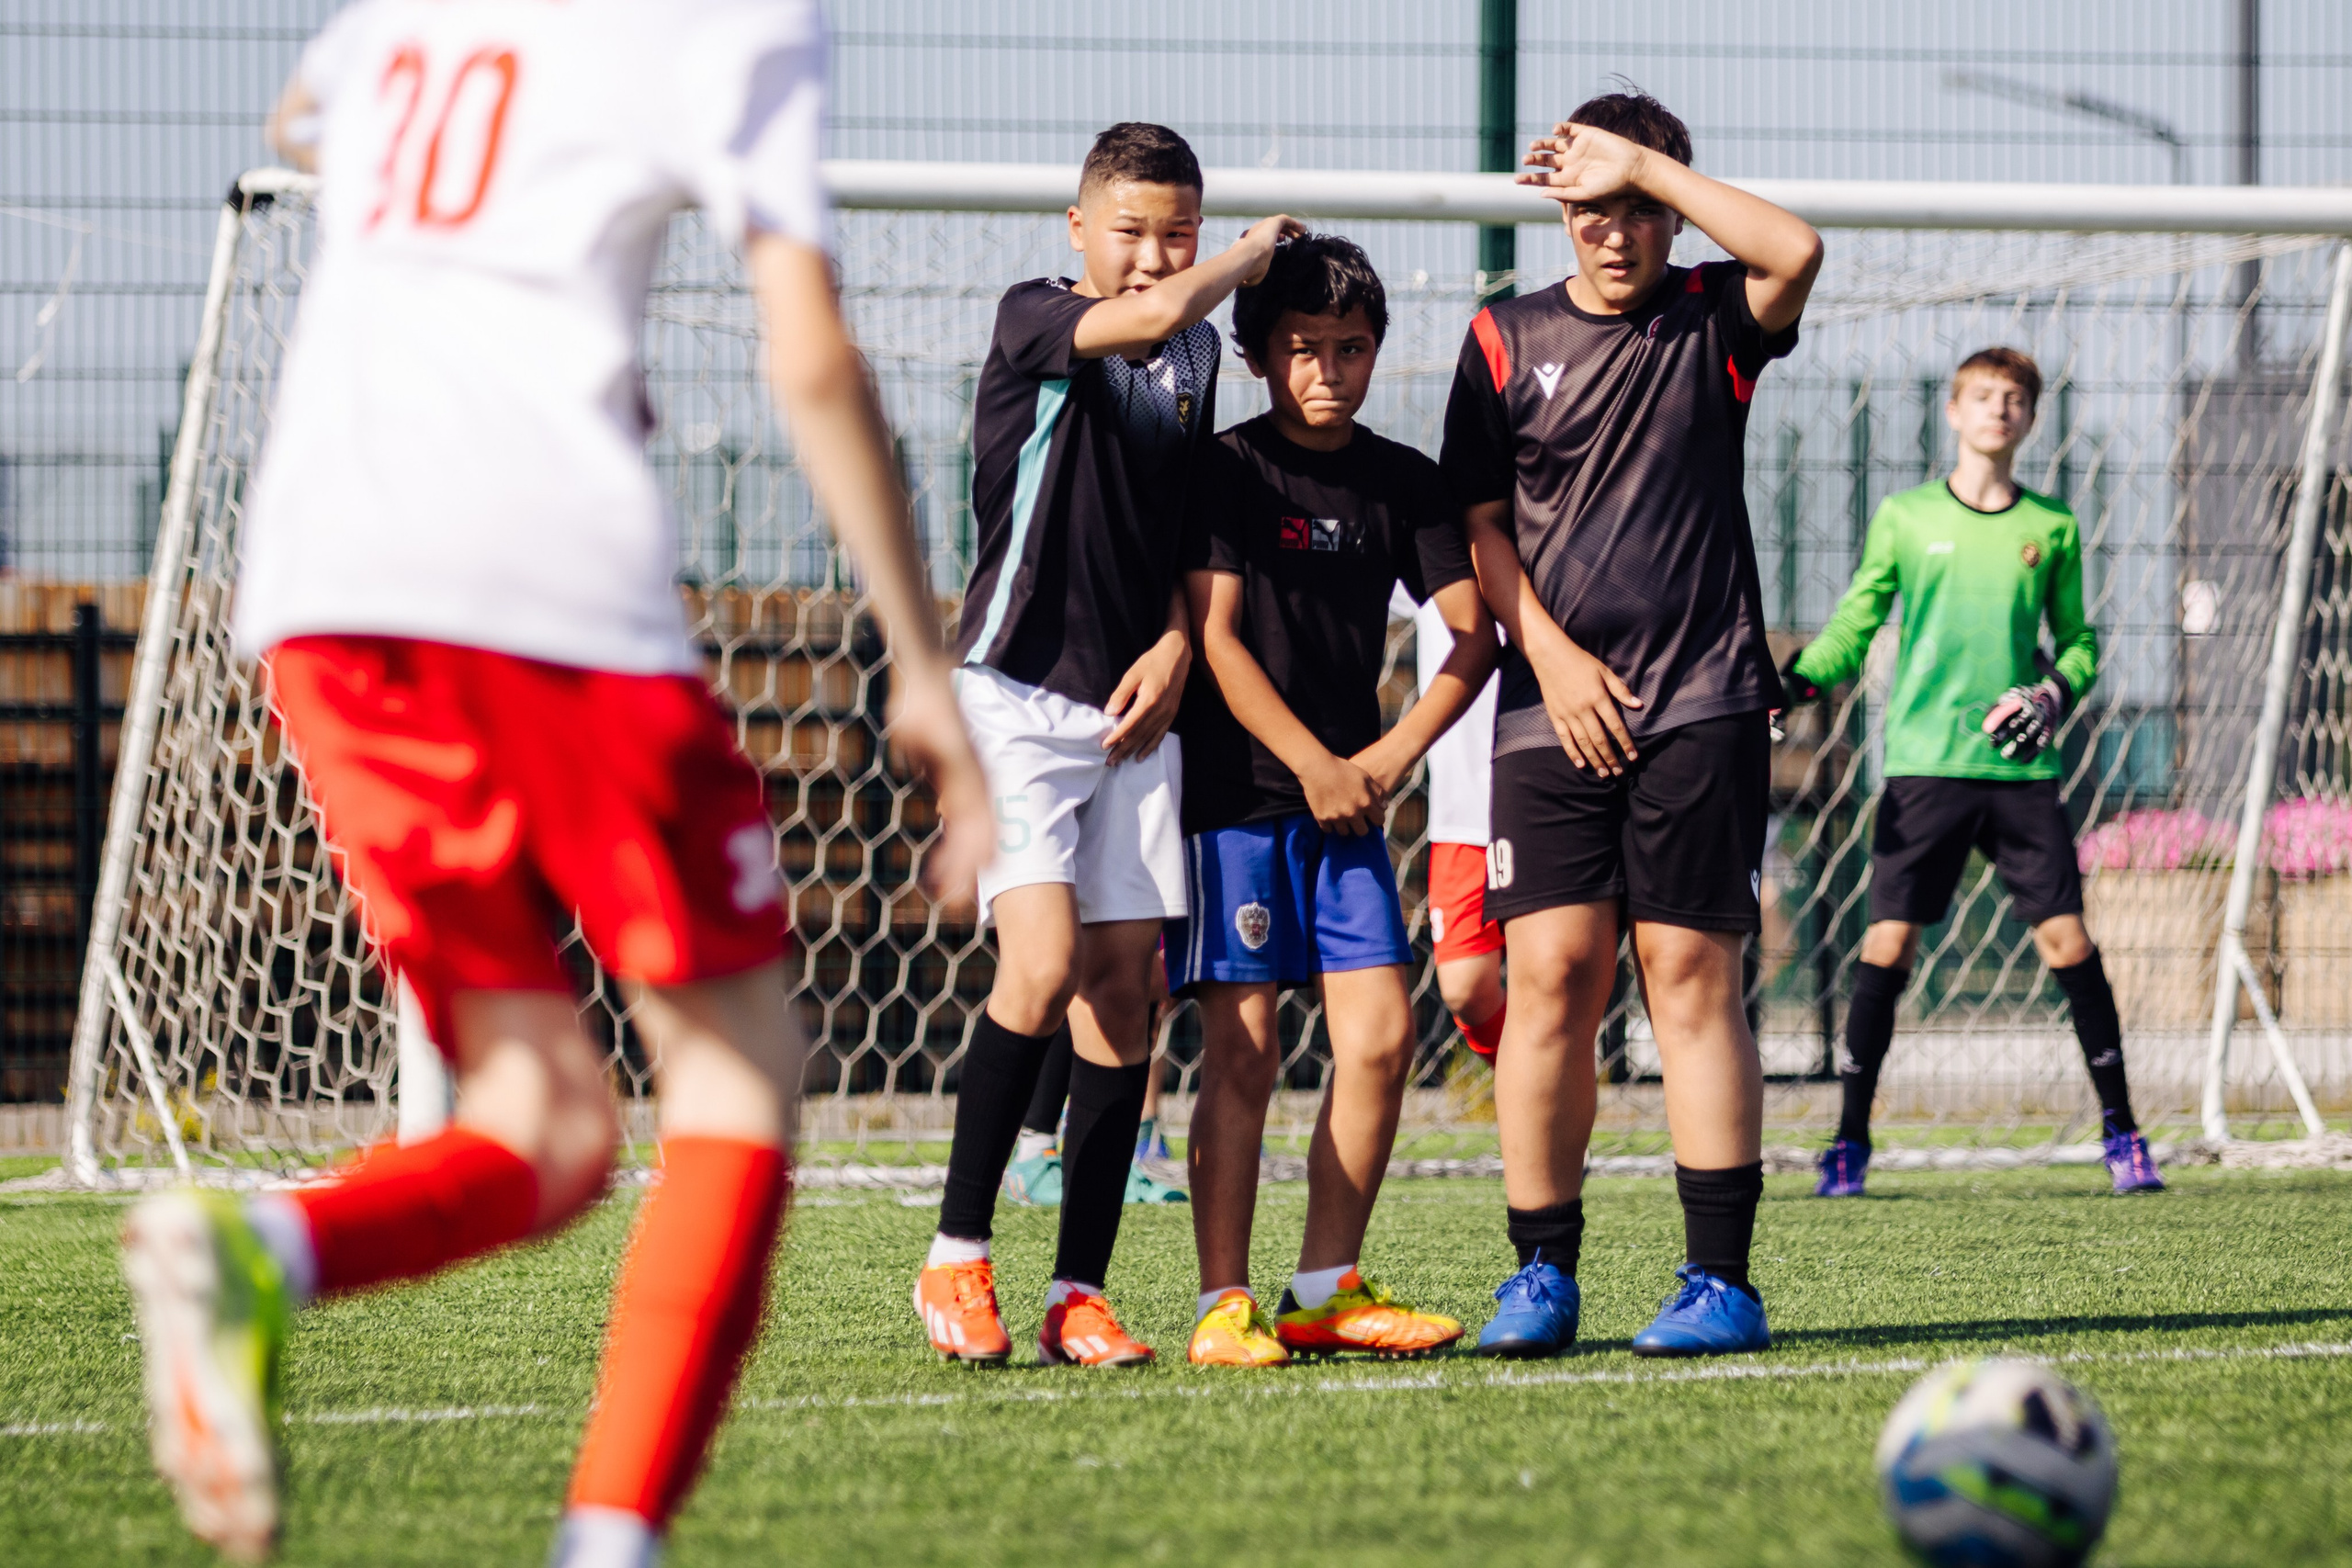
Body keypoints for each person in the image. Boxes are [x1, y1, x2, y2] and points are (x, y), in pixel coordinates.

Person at [117, 4, 991, 1564]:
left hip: (325, 579)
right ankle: (610, 1541)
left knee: (546, 1124)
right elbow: (808, 348)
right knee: (734, 1072)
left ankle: (253, 1244)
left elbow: (302, 123)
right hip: (541, 571)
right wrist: (920, 667)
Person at [1442, 88, 1822, 1360]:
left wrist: (1648, 161)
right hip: (1551, 710)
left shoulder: (1717, 316)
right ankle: (1541, 1274)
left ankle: (1720, 1279)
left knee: (1690, 981)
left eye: (1640, 205)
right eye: (1592, 204)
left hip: (1704, 700)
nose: (1617, 228)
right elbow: (1482, 525)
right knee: (1546, 979)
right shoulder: (1500, 337)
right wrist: (1548, 657)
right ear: (1558, 205)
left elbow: (1797, 250)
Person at [915, 121, 1302, 1369]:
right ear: (1078, 229)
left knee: (1123, 991)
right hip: (1018, 696)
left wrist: (1183, 644)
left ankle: (1076, 1288)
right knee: (1035, 966)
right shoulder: (1038, 315)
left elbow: (1188, 527)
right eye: (1129, 230)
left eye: (1175, 232)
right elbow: (1138, 321)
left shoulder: (1192, 356)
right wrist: (1241, 257)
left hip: (1137, 709)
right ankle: (956, 1258)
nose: (1152, 255)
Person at [1170, 234, 1497, 1367]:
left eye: (1350, 350)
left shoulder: (1403, 482)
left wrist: (1391, 753)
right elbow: (1211, 636)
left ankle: (1323, 1286)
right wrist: (1314, 760)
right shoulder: (1224, 470)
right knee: (1245, 1048)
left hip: (1350, 805)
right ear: (1260, 354)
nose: (1327, 371)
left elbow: (1473, 634)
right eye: (1304, 349)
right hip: (1238, 802)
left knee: (1381, 1035)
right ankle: (1223, 1301)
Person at [1785, 346, 2164, 1200]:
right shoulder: (1907, 517)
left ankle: (2123, 1133)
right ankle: (1848, 1142)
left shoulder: (2052, 527)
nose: (2001, 408)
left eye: (2017, 399)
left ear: (2029, 419)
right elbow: (1856, 621)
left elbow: (2080, 643)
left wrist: (2054, 689)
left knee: (2068, 942)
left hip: (2021, 771)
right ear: (1954, 412)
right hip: (1924, 766)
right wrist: (1803, 677)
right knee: (1888, 944)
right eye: (1985, 396)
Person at [1410, 590, 1507, 1060]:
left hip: (1545, 790)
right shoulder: (1433, 536)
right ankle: (1538, 1109)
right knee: (1466, 987)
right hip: (1462, 812)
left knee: (1551, 979)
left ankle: (1555, 1122)